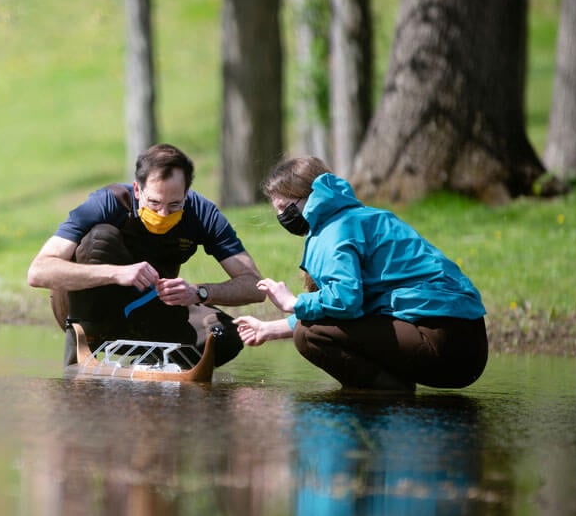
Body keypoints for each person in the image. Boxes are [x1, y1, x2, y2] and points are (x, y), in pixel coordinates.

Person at [234, 156, 488, 391]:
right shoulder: (358, 217)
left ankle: (383, 396)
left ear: (306, 196)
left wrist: (294, 303)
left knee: (309, 335)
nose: (281, 216)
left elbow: (346, 301)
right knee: (313, 326)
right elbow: (347, 309)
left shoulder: (336, 231)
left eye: (283, 206)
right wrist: (269, 329)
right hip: (468, 345)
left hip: (442, 341)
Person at [26, 143, 263, 366]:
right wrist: (116, 274)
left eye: (174, 205)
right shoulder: (107, 202)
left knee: (226, 335)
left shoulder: (203, 214)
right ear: (138, 189)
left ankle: (153, 366)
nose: (163, 213)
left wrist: (199, 292)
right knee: (99, 239)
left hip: (151, 308)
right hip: (89, 307)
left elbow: (254, 285)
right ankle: (80, 354)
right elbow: (39, 272)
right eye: (154, 203)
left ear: (187, 193)